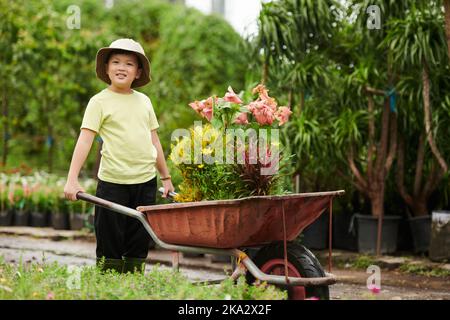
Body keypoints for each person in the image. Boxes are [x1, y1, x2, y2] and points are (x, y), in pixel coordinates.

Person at [64, 38, 174, 274]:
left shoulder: (144, 101)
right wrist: (72, 179)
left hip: (145, 182)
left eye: (129, 63)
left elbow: (154, 141)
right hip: (113, 182)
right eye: (115, 62)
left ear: (138, 72)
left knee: (139, 240)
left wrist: (165, 177)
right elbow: (85, 140)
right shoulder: (99, 102)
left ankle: (132, 283)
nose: (121, 67)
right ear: (106, 68)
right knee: (110, 239)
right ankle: (109, 284)